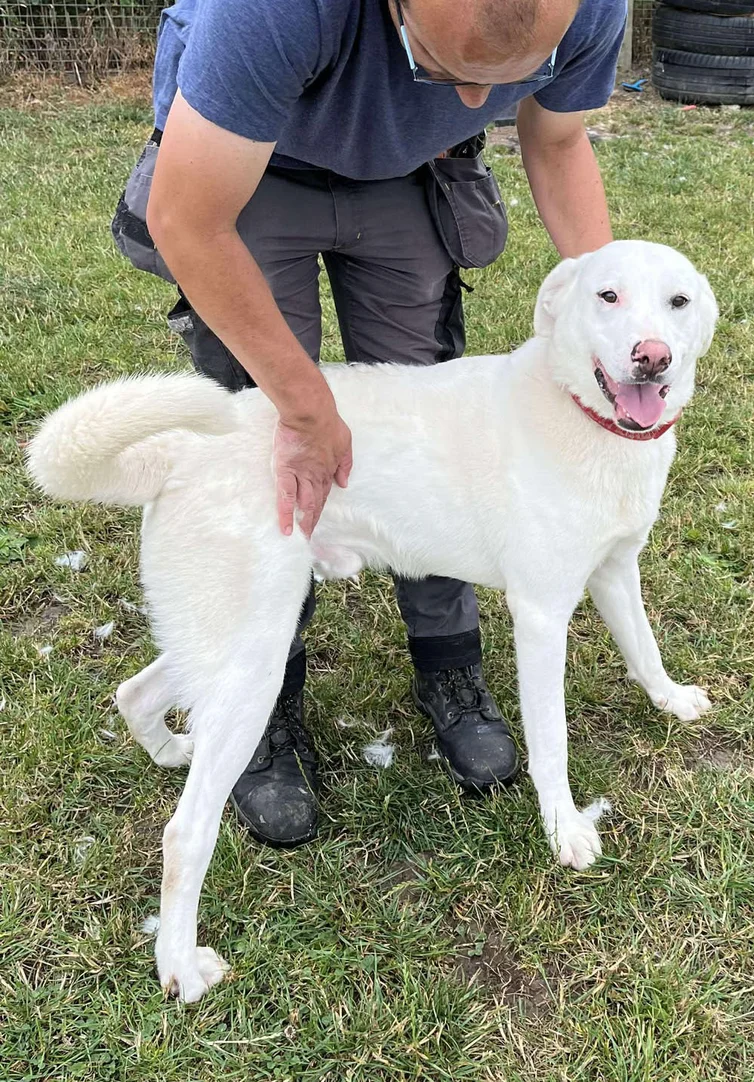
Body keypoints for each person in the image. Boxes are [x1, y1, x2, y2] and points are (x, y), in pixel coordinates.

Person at [111, 0, 624, 848]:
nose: (469, 102)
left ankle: (450, 664)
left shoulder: (591, 8)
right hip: (253, 168)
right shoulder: (270, 12)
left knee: (435, 422)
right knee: (271, 440)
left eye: (499, 84)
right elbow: (186, 219)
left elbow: (560, 140)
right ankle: (263, 703)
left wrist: (617, 317)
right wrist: (307, 409)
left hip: (411, 174)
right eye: (442, 73)